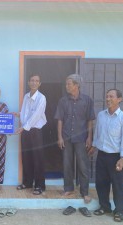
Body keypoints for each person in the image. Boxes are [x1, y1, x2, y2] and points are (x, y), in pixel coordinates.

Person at [54, 74, 95, 203]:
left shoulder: (87, 100)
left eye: (69, 84)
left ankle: (85, 192)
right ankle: (68, 188)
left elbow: (90, 120)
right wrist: (60, 137)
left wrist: (89, 137)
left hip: (81, 138)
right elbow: (60, 119)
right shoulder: (63, 101)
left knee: (83, 165)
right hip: (66, 137)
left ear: (77, 85)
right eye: (66, 84)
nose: (67, 86)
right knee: (67, 164)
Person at [92, 89, 123, 222]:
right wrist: (93, 146)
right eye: (107, 96)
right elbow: (97, 133)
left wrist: (122, 158)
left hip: (116, 157)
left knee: (118, 185)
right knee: (101, 183)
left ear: (119, 99)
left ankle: (119, 211)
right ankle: (105, 207)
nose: (108, 99)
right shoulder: (101, 115)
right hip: (102, 155)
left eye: (111, 96)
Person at [15, 74, 47, 195]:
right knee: (26, 156)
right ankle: (27, 182)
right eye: (32, 80)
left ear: (39, 84)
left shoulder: (41, 98)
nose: (34, 82)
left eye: (36, 81)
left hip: (35, 131)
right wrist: (18, 114)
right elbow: (25, 112)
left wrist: (23, 127)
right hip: (25, 131)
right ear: (28, 82)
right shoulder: (26, 96)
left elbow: (36, 116)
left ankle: (40, 185)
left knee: (38, 158)